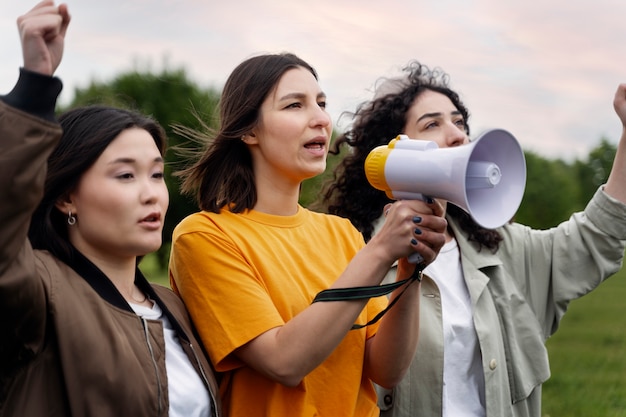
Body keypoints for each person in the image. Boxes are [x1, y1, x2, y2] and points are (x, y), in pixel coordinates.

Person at [318, 60, 626, 417]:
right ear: (395, 150)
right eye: (432, 123)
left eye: (459, 122)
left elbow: (596, 239)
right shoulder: (353, 254)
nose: (457, 134)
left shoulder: (502, 249)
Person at [168, 52, 448, 417]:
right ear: (249, 130)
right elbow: (284, 361)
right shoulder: (205, 236)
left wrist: (409, 267)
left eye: (321, 103)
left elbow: (386, 370)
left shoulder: (341, 233)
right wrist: (380, 251)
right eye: (294, 105)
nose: (320, 119)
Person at [0, 2, 221, 416]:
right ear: (67, 197)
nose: (151, 193)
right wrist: (33, 89)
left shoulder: (172, 305)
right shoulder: (39, 290)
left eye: (156, 175)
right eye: (125, 176)